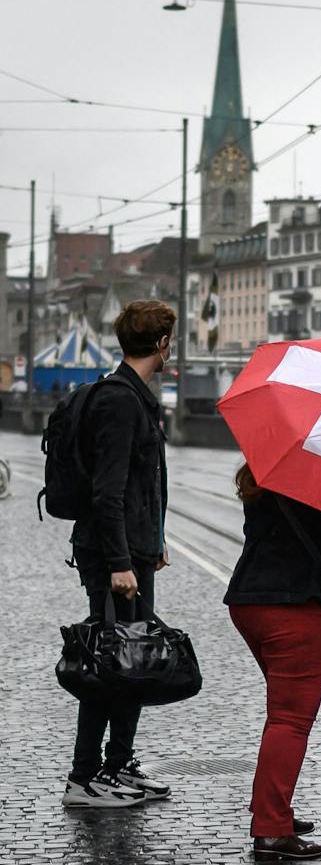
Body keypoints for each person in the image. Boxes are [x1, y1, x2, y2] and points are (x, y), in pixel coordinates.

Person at [63, 299, 174, 808]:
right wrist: (119, 564)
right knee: (109, 664)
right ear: (163, 344)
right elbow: (108, 493)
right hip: (114, 556)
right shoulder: (121, 402)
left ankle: (117, 765)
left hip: (133, 547)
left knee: (133, 660)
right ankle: (84, 779)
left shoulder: (135, 395)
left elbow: (137, 485)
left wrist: (153, 539)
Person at [225, 463, 321, 861]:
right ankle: (271, 830)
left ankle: (272, 810)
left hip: (251, 603)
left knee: (282, 713)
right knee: (291, 720)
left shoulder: (262, 471)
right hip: (292, 608)